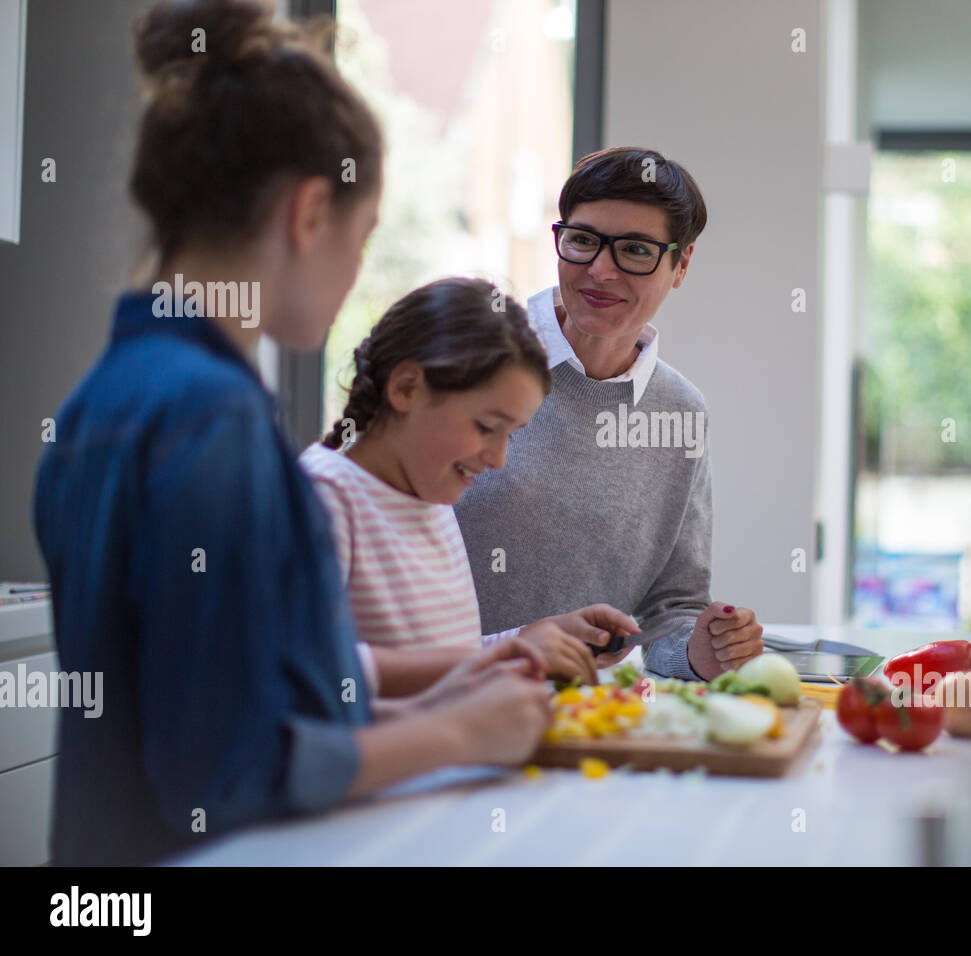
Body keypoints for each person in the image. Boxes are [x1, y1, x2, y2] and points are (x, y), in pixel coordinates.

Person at [33, 0, 549, 866]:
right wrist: (458, 738)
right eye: (365, 234)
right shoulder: (212, 419)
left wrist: (447, 705)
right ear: (311, 213)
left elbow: (254, 705)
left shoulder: (102, 398)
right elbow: (229, 771)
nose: (358, 273)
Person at [455, 147, 765, 681]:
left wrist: (699, 653)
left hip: (579, 727)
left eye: (636, 251)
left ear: (681, 264)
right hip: (431, 703)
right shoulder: (466, 355)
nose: (600, 271)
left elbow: (671, 611)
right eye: (582, 240)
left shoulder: (680, 413)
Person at [299, 277, 640, 694]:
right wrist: (502, 658)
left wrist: (530, 638)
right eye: (485, 427)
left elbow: (445, 657)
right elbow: (309, 668)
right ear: (406, 389)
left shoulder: (431, 497)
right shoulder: (323, 495)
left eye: (510, 435)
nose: (498, 460)